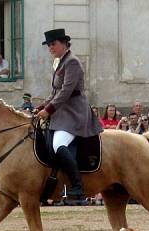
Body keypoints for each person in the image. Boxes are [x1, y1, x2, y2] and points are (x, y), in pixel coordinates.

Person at [35, 28, 103, 205]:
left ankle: (78, 186)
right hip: (62, 112)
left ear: (64, 43)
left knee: (58, 144)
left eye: (53, 44)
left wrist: (48, 110)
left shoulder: (72, 62)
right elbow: (55, 91)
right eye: (49, 45)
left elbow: (66, 91)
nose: (51, 47)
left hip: (74, 112)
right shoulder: (59, 62)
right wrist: (42, 106)